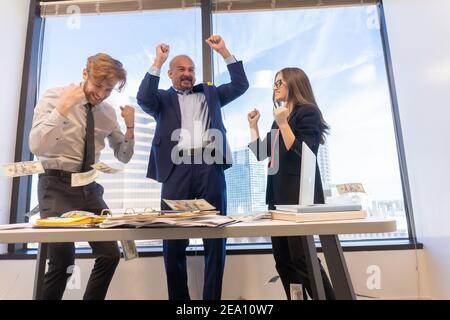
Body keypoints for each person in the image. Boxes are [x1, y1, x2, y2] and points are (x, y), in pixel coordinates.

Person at [137, 35, 249, 300]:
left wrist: (224, 52)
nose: (187, 74)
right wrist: (158, 60)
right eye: (181, 69)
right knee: (173, 241)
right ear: (170, 74)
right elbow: (143, 97)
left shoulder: (211, 93)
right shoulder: (161, 99)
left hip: (210, 167)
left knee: (216, 238)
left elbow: (241, 84)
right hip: (176, 170)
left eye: (191, 69)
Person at [29, 53, 135, 300]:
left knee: (110, 254)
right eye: (98, 86)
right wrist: (64, 107)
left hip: (89, 188)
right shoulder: (54, 97)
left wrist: (130, 127)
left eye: (109, 89)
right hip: (55, 185)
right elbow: (36, 145)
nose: (102, 94)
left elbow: (124, 155)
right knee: (63, 262)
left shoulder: (107, 112)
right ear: (85, 73)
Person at [247, 67, 335, 300]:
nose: (274, 87)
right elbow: (259, 152)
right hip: (277, 200)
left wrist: (284, 123)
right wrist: (254, 127)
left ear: (294, 84)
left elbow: (303, 153)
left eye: (279, 83)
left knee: (303, 259)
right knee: (284, 261)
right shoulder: (279, 119)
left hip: (299, 201)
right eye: (274, 83)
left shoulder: (308, 113)